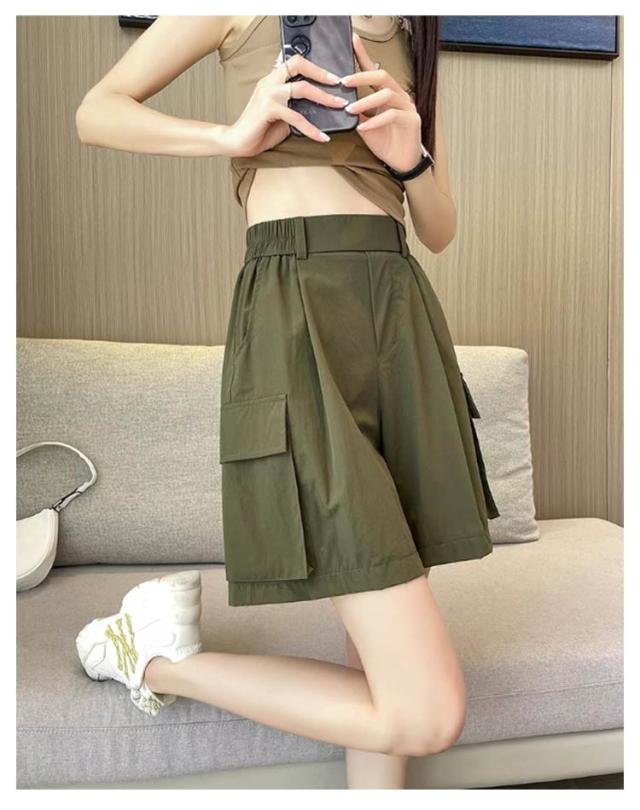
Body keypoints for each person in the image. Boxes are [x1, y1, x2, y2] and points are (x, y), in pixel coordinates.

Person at [73, 15, 499, 789]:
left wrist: (412, 158)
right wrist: (230, 137)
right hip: (294, 304)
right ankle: (155, 658)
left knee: (380, 667)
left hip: (398, 310)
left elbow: (438, 229)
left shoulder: (409, 26)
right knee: (427, 711)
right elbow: (97, 111)